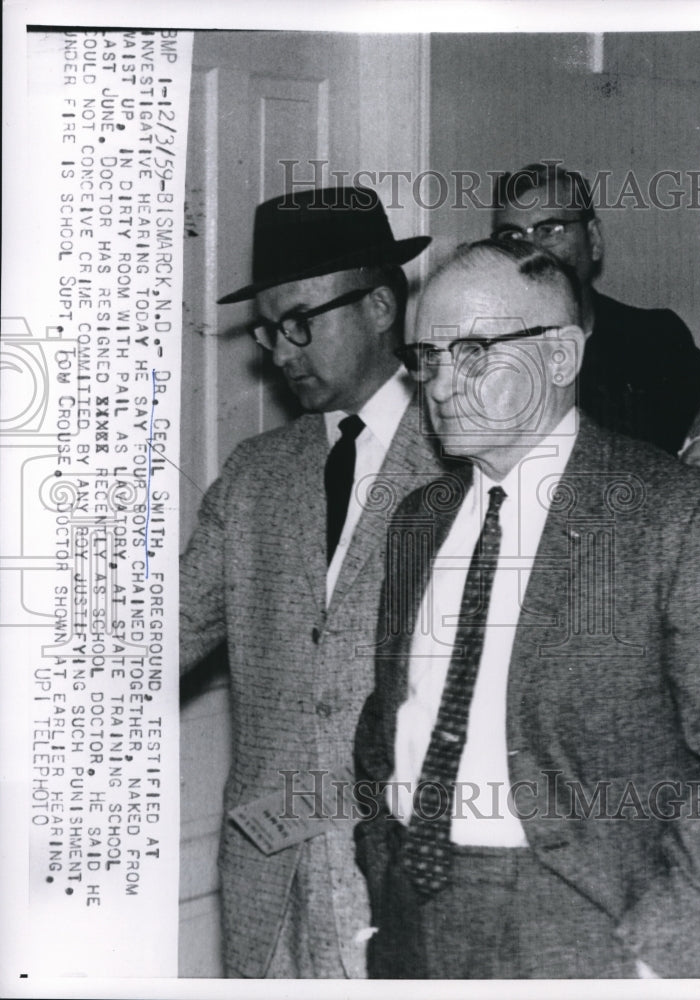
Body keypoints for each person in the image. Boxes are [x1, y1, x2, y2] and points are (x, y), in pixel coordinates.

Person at [355, 238, 700, 979]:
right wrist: (380, 874)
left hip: (596, 928)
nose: (442, 385)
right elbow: (386, 720)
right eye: (427, 356)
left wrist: (662, 962)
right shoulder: (419, 518)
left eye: (473, 352)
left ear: (560, 358)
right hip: (412, 919)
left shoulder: (680, 517)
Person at [179, 187, 451, 978]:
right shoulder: (255, 476)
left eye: (301, 321)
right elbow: (152, 641)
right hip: (273, 883)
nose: (280, 349)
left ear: (377, 307)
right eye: (267, 329)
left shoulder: (465, 457)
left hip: (415, 878)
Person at [491, 162, 700, 487]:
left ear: (593, 239)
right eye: (511, 235)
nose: (531, 249)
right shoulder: (488, 358)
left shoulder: (656, 341)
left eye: (549, 230)